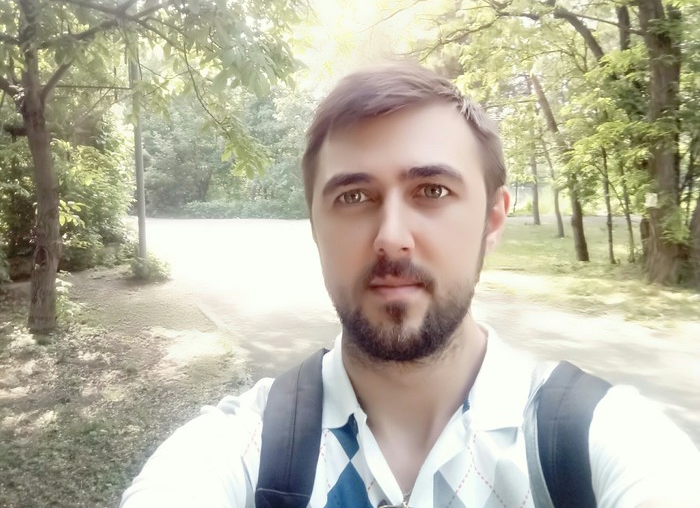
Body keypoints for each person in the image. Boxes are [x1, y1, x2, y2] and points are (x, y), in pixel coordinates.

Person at [120, 63, 700, 507]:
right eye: (354, 196)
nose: (392, 238)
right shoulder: (241, 451)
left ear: (493, 219)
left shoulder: (601, 441)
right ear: (315, 226)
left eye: (432, 191)